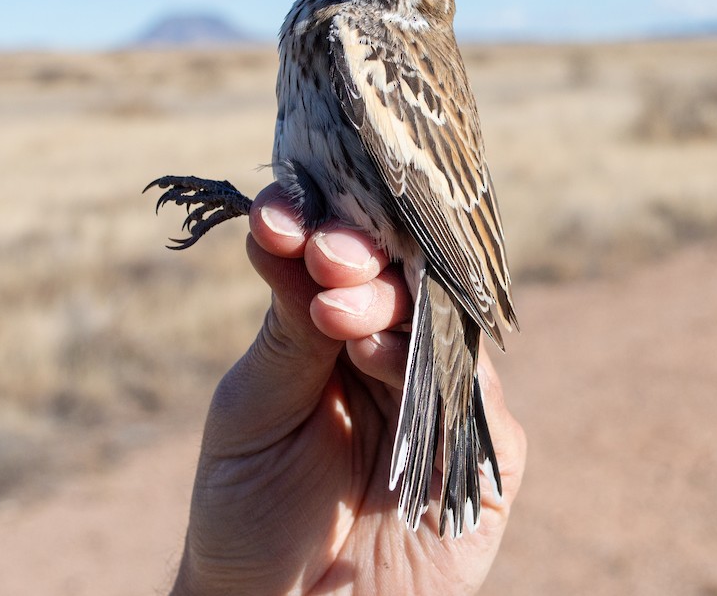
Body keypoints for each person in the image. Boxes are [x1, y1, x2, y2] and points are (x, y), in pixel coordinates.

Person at [169, 183, 527, 595]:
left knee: (320, 253)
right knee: (319, 257)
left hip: (427, 240)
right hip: (405, 236)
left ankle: (450, 469)